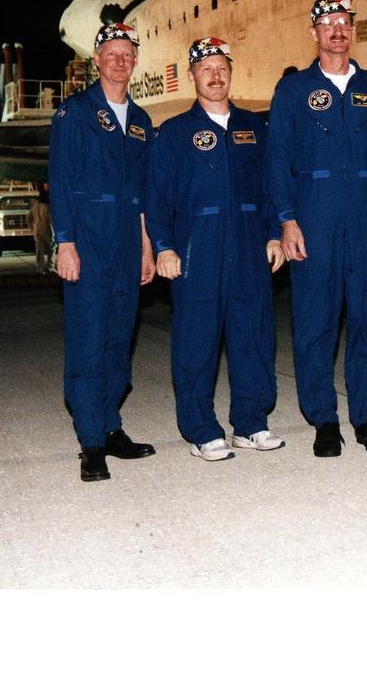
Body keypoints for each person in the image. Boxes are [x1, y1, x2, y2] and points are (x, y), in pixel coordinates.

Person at [267, 0, 367, 457]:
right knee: (314, 325)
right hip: (315, 222)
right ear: (314, 33)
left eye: (344, 22)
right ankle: (324, 420)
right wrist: (286, 221)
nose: (336, 30)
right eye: (327, 23)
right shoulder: (292, 91)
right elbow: (277, 162)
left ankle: (366, 416)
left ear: (353, 29)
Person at [146, 37, 287, 462]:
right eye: (205, 67)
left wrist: (275, 233)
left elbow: (271, 188)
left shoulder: (254, 128)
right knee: (197, 342)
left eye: (222, 66)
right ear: (192, 75)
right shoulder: (173, 133)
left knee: (253, 337)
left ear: (231, 71)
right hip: (197, 249)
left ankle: (251, 423)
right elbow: (156, 197)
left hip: (247, 247)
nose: (215, 74)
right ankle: (202, 430)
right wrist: (164, 247)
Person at [49, 21, 157, 482]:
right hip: (88, 242)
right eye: (111, 53)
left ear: (135, 62)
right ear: (96, 61)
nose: (119, 60)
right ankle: (91, 441)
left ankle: (111, 426)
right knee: (88, 342)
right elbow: (61, 183)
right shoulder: (74, 113)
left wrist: (148, 248)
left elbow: (145, 194)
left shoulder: (141, 122)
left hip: (128, 243)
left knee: (118, 340)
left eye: (127, 54)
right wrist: (65, 242)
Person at [26, 190, 54, 273]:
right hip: (47, 230)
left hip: (37, 231)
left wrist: (31, 228)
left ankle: (40, 268)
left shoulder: (35, 207)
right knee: (51, 249)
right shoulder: (48, 207)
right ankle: (50, 267)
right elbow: (51, 220)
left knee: (39, 250)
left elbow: (28, 218)